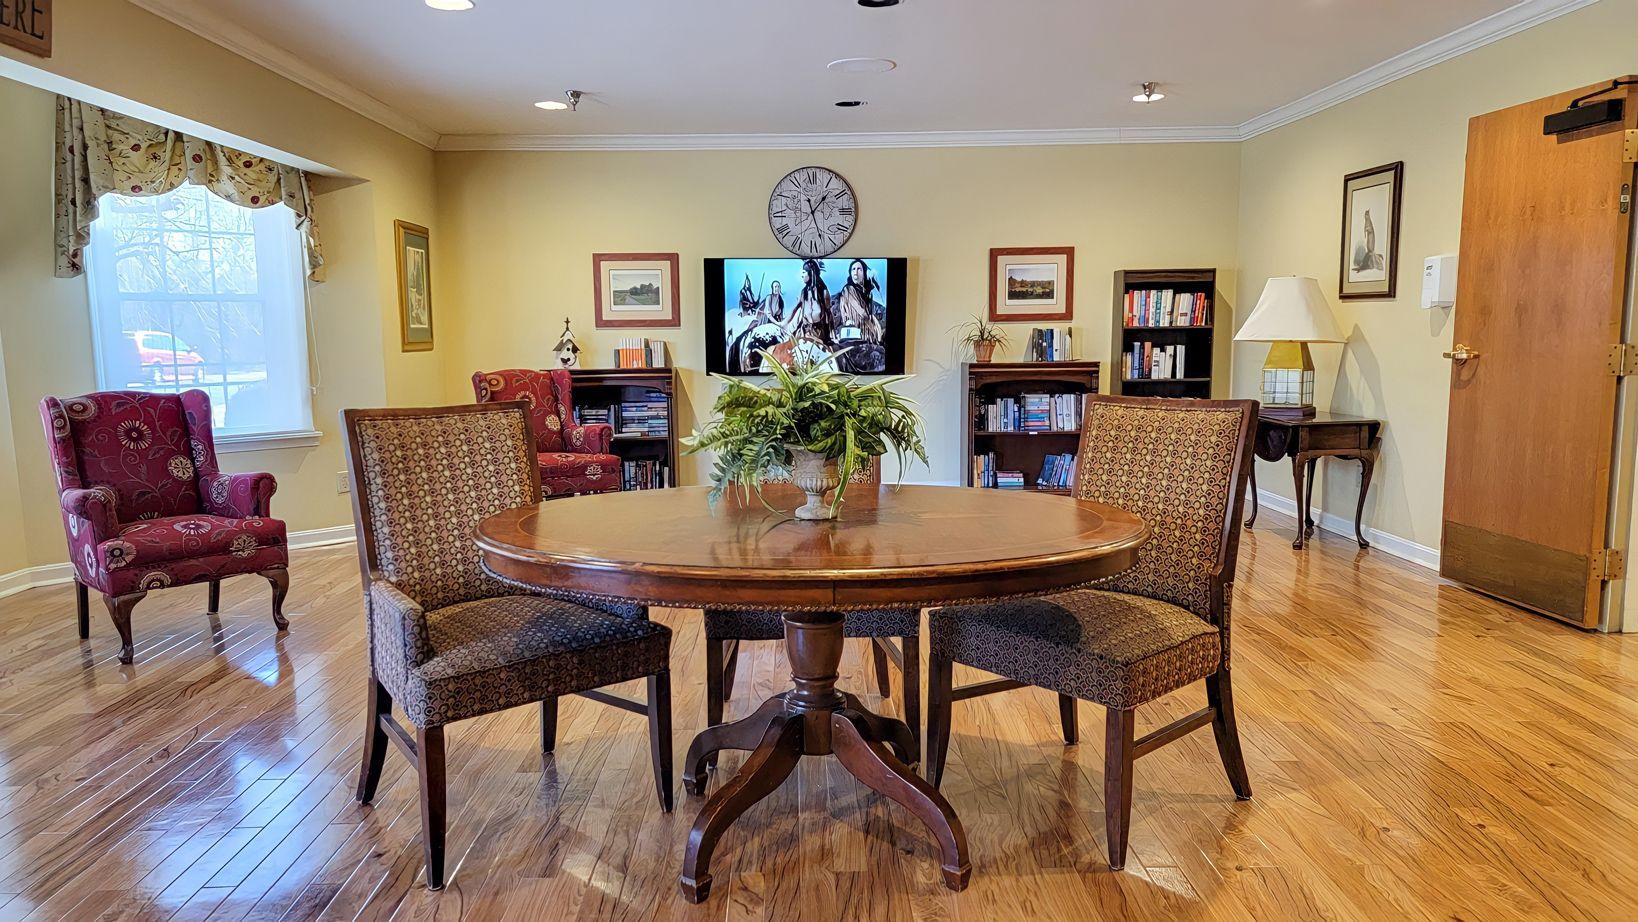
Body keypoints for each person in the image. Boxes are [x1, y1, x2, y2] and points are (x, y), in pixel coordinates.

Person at [832, 258, 884, 345]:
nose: (855, 272)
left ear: (864, 273)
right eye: (853, 269)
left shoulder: (866, 293)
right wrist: (873, 329)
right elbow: (862, 313)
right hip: (856, 330)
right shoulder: (848, 289)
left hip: (866, 332)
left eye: (859, 269)